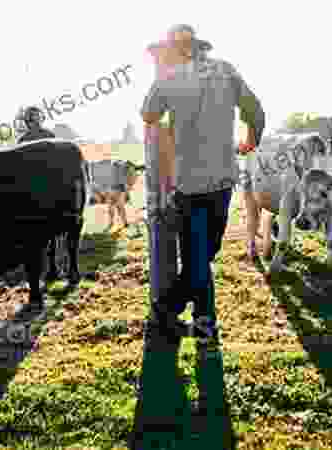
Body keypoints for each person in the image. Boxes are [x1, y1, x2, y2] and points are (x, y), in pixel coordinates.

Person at [141, 24, 265, 341]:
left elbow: (148, 114)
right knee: (203, 256)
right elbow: (256, 111)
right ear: (199, 47)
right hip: (223, 182)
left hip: (188, 184)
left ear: (175, 51)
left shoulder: (167, 78)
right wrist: (250, 141)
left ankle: (166, 310)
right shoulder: (226, 70)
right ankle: (205, 325)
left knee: (198, 259)